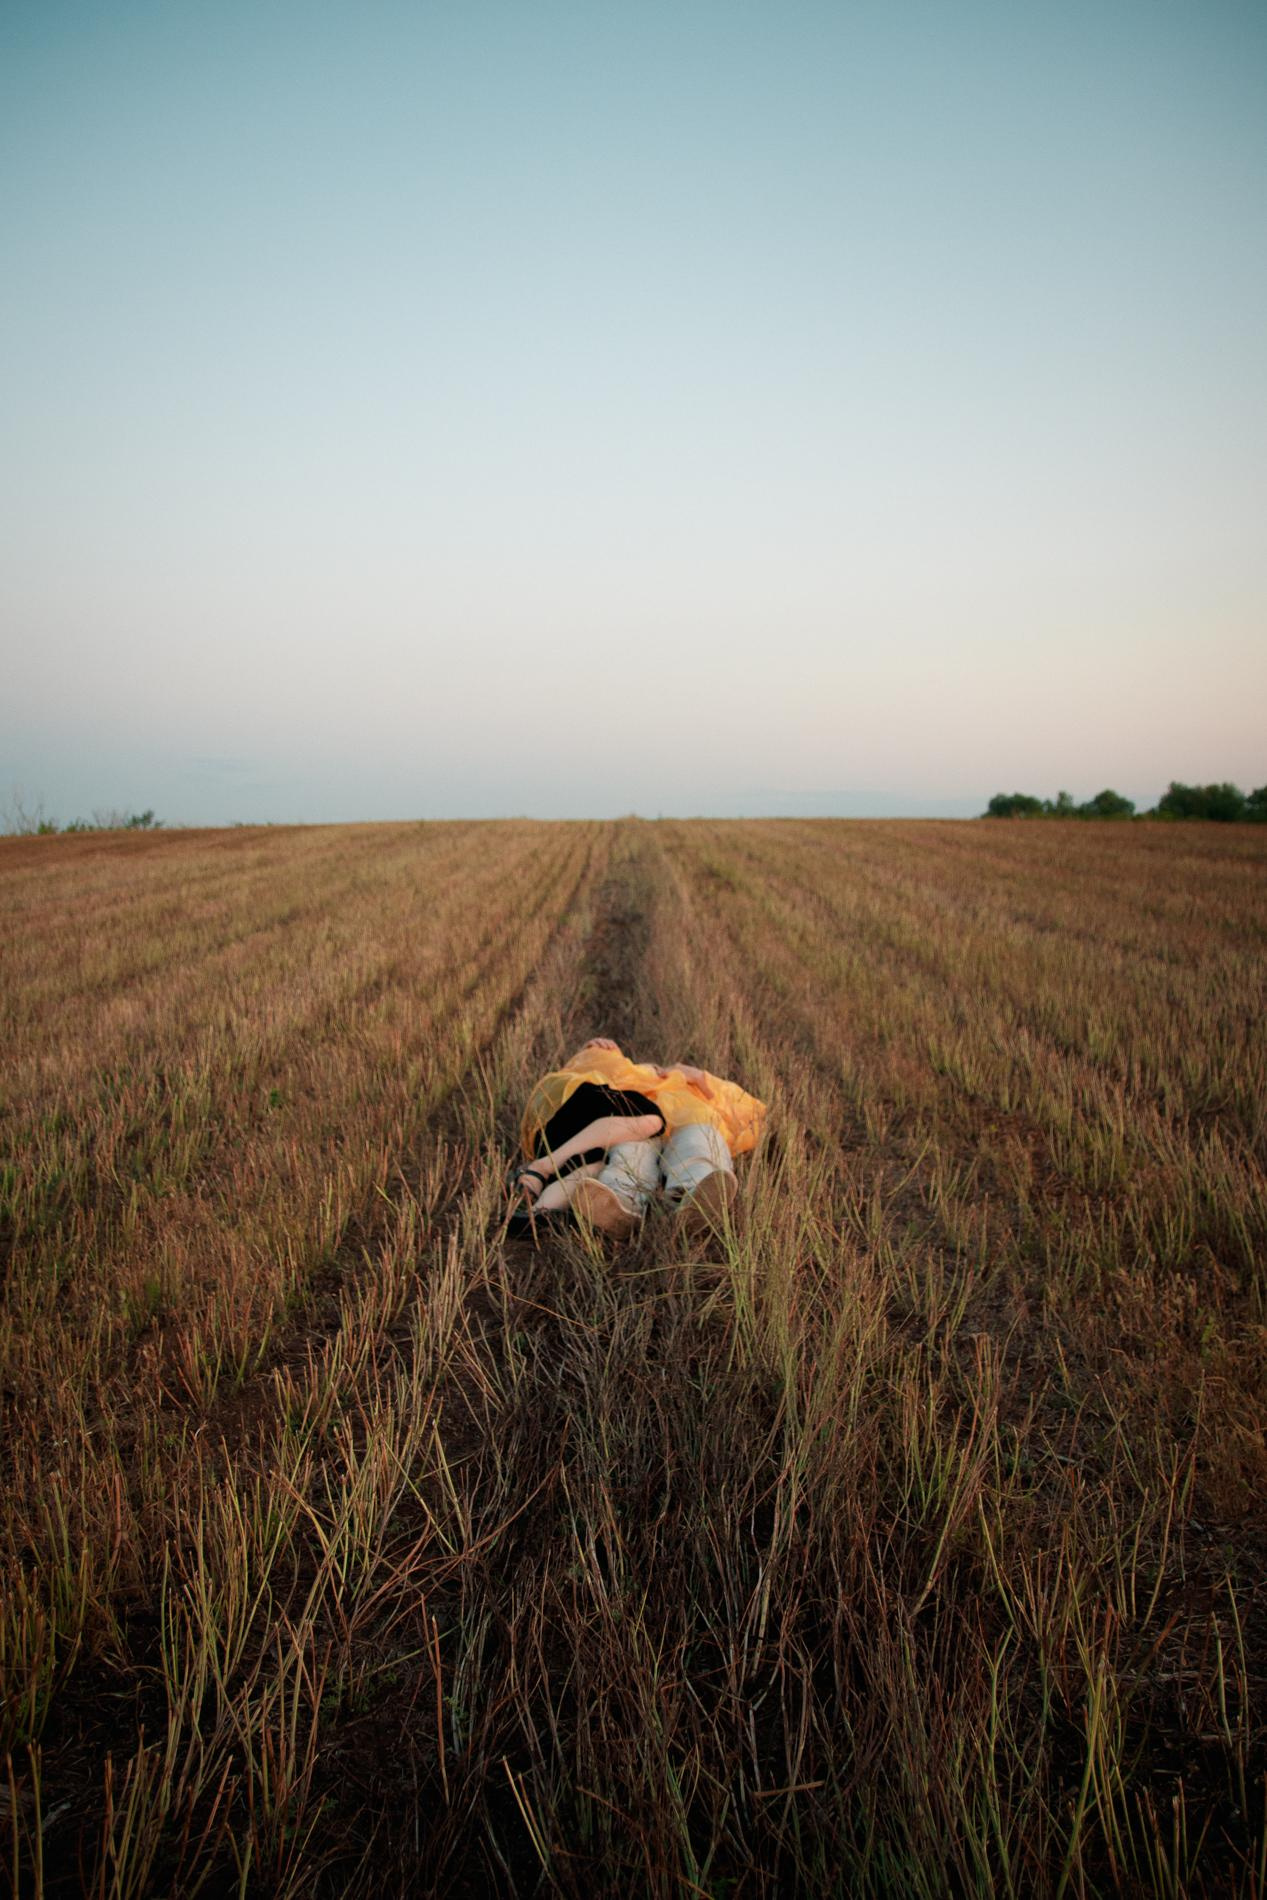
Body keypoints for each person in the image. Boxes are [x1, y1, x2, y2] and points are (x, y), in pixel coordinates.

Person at [507, 1036, 767, 1240]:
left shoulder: (690, 1085)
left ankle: (691, 1200)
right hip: (640, 1128)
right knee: (631, 1155)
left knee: (699, 1144)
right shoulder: (626, 1081)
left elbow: (742, 1111)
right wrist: (595, 1049)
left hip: (688, 1121)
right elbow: (587, 1079)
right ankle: (619, 1206)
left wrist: (700, 1078)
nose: (655, 1072)